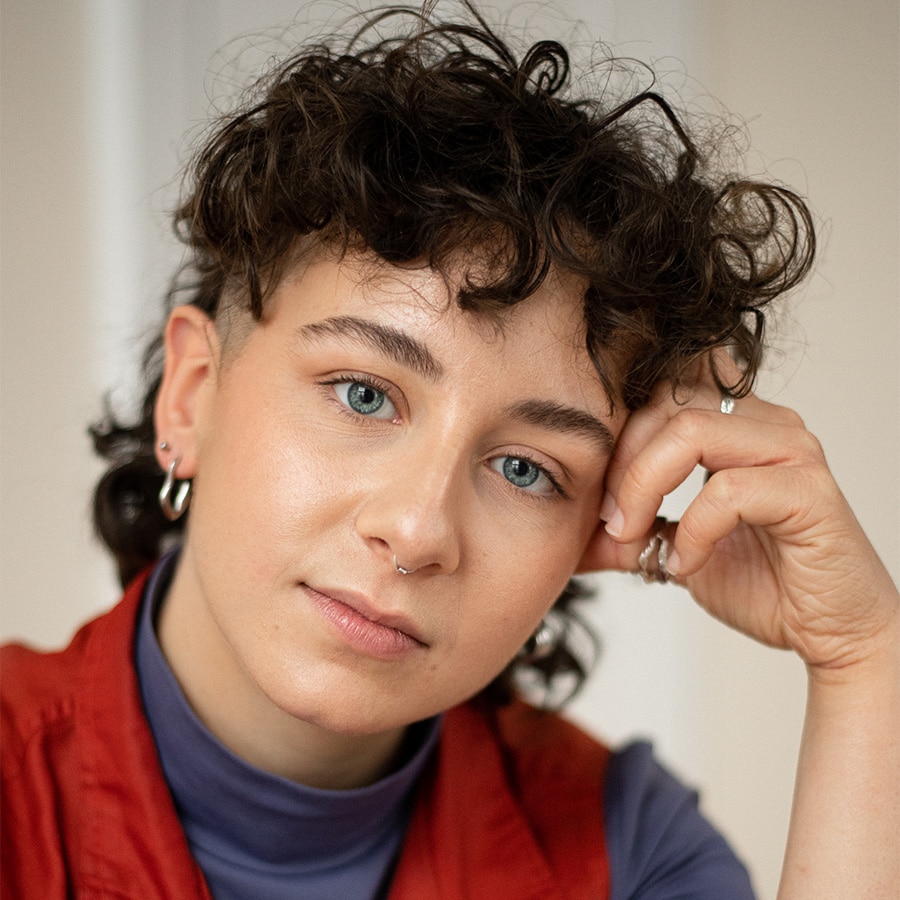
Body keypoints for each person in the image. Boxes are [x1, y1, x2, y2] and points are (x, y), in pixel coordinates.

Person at [2, 3, 897, 897]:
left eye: (526, 469)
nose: (417, 528)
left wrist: (864, 659)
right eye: (363, 395)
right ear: (192, 395)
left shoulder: (627, 851)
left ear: (601, 521)